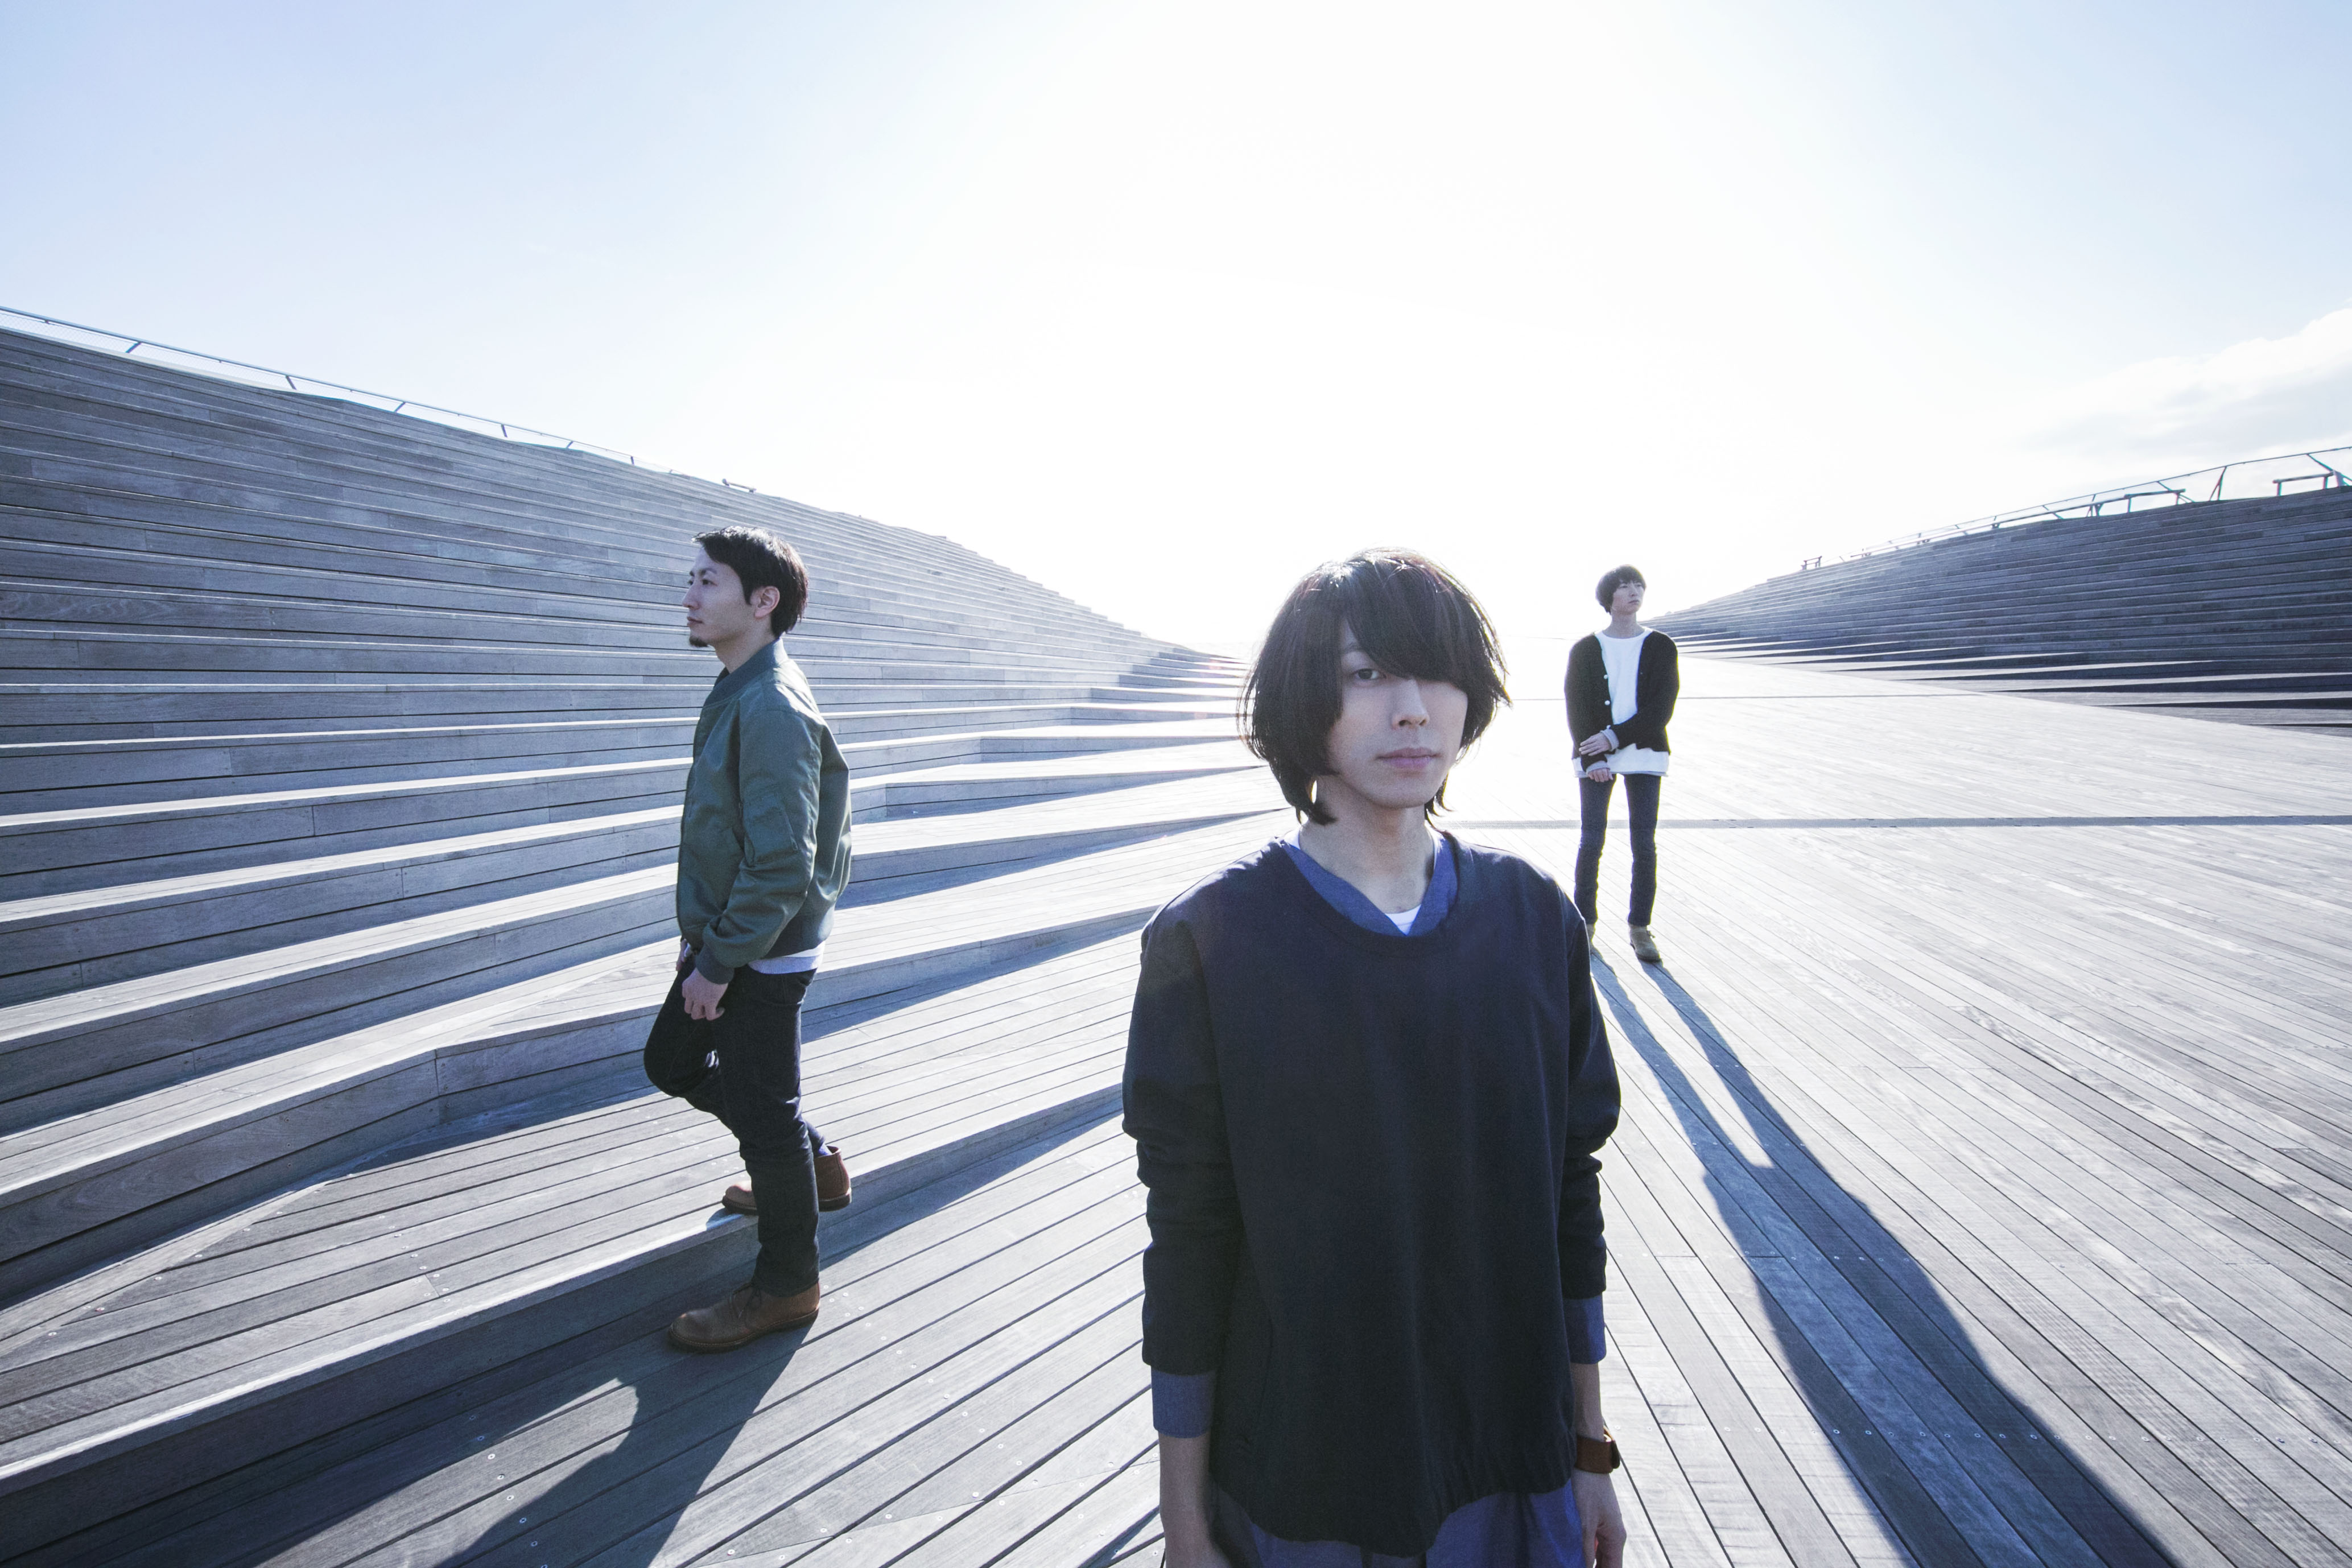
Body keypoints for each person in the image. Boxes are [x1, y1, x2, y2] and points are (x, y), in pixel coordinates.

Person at [1125, 549, 1628, 1567]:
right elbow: (1188, 1237)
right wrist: (1183, 1520)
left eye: (1437, 675)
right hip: (1306, 1489)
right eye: (1364, 674)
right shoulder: (1210, 940)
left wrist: (1588, 1447)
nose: (1410, 711)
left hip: (1512, 1470)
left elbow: (1568, 1194)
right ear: (1301, 701)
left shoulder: (1533, 919)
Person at [644, 525, 855, 1353]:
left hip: (760, 948)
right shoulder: (741, 685)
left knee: (763, 1116)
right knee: (673, 1061)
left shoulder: (770, 705)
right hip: (736, 937)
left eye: (708, 582)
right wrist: (706, 942)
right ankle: (813, 1163)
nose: (689, 596)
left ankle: (787, 1284)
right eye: (691, 578)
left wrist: (720, 959)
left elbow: (781, 865)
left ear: (763, 601)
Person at [1565, 566, 1679, 965]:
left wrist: (1614, 738)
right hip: (1597, 756)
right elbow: (1577, 707)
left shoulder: (1661, 645)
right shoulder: (1586, 649)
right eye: (1625, 586)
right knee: (1592, 841)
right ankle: (1585, 924)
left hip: (1644, 752)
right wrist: (1594, 757)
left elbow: (1662, 707)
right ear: (1608, 598)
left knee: (1643, 844)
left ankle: (1640, 928)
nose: (1634, 591)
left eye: (1639, 585)